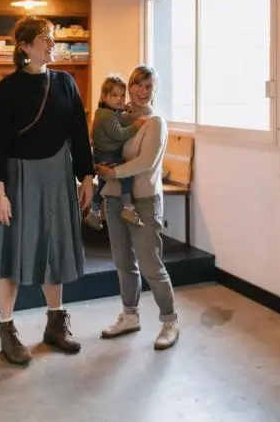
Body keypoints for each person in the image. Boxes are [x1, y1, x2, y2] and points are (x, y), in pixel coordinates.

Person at [0, 15, 94, 366]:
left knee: (55, 248)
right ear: (25, 47)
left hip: (58, 174)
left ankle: (55, 325)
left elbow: (79, 133)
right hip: (17, 178)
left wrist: (86, 176)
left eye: (52, 38)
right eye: (45, 38)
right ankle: (7, 329)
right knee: (11, 251)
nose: (51, 44)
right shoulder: (7, 89)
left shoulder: (66, 83)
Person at [96, 65, 179, 351]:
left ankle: (170, 321)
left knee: (150, 265)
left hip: (143, 201)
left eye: (148, 86)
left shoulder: (156, 122)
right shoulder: (119, 115)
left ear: (155, 90)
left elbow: (146, 162)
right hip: (114, 198)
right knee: (123, 262)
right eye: (137, 85)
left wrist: (113, 172)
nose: (142, 91)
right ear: (129, 86)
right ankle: (130, 316)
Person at [84, 74, 145, 230]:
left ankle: (94, 212)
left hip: (100, 154)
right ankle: (128, 207)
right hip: (107, 156)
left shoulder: (109, 112)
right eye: (115, 95)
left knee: (103, 184)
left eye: (122, 95)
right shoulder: (106, 115)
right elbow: (119, 134)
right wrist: (135, 126)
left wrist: (135, 114)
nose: (120, 99)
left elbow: (122, 119)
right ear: (104, 97)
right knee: (127, 173)